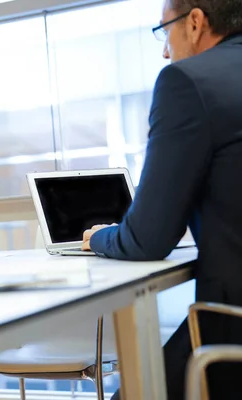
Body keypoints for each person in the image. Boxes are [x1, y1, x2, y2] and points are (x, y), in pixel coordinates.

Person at [81, 1, 242, 399]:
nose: (165, 51)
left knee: (134, 391)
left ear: (195, 23)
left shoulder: (187, 82)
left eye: (164, 31)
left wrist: (98, 237)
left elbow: (145, 240)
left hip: (232, 330)